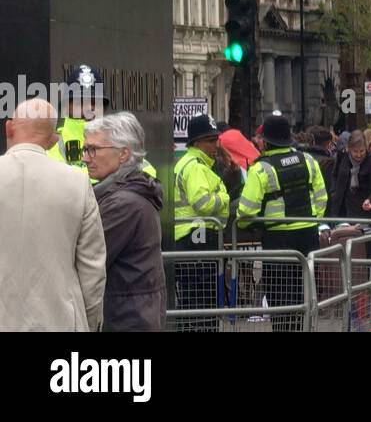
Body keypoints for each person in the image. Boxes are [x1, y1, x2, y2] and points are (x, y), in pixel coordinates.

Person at [0, 99, 105, 332]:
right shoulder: (77, 182)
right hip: (61, 323)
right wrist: (90, 321)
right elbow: (92, 269)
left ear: (9, 128)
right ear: (52, 140)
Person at [236, 112, 329, 331]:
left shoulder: (261, 168)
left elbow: (246, 210)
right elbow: (322, 196)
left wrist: (245, 224)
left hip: (278, 239)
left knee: (280, 299)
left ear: (266, 141)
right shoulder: (307, 160)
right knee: (303, 296)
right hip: (308, 237)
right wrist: (311, 219)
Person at [84, 112, 165, 332]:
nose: (85, 157)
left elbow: (87, 257)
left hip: (126, 320)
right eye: (85, 149)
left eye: (93, 149)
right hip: (132, 316)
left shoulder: (123, 204)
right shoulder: (126, 195)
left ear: (123, 154)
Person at [169, 112, 231, 332]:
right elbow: (202, 203)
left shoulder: (189, 163)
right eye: (211, 141)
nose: (216, 145)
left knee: (192, 305)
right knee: (203, 306)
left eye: (216, 140)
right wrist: (225, 199)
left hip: (190, 240)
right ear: (196, 142)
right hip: (198, 239)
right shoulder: (196, 166)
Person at [328, 128, 371, 221]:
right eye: (355, 151)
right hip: (342, 207)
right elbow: (335, 174)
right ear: (349, 149)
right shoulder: (342, 155)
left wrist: (369, 200)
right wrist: (334, 192)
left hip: (363, 209)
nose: (359, 155)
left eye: (362, 151)